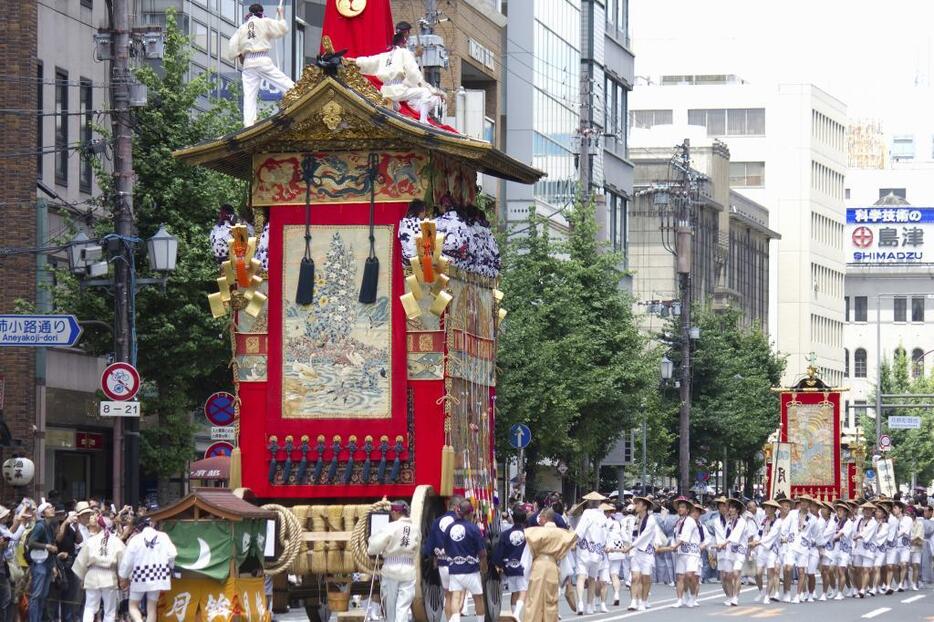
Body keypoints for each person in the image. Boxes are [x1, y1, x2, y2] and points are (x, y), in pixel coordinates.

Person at [351, 24, 445, 123]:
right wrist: (431, 89)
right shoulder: (405, 53)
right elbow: (414, 75)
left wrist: (352, 61)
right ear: (404, 42)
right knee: (426, 93)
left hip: (384, 91)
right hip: (398, 90)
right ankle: (423, 120)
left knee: (398, 106)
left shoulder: (384, 55)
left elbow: (367, 61)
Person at [227, 3, 295, 127]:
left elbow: (232, 45)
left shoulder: (242, 28)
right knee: (283, 82)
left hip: (248, 62)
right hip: (262, 58)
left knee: (249, 95)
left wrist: (239, 55)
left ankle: (248, 124)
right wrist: (281, 14)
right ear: (261, 12)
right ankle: (299, 95)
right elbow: (283, 28)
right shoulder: (264, 21)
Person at [520, 508, 578, 622]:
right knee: (551, 600)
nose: (539, 519)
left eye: (540, 517)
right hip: (553, 566)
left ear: (544, 518)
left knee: (534, 599)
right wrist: (566, 577)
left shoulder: (535, 533)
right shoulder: (561, 534)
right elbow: (565, 557)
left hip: (538, 566)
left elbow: (527, 555)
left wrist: (526, 573)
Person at [366, 500, 419, 622]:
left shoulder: (390, 527)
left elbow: (373, 547)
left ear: (395, 512)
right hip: (408, 568)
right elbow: (416, 549)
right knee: (403, 607)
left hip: (391, 568)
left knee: (390, 607)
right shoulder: (415, 529)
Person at [117, 516, 177, 622]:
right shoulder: (163, 536)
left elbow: (128, 561)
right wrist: (170, 567)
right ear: (151, 524)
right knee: (152, 608)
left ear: (137, 528)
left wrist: (123, 576)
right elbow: (172, 554)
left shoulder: (136, 539)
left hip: (140, 575)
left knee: (133, 606)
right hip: (159, 574)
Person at [73, 515, 125, 622]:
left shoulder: (91, 541)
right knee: (109, 610)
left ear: (99, 526)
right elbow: (124, 561)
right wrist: (123, 578)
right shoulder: (116, 541)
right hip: (109, 576)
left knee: (89, 607)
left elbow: (81, 560)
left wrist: (82, 578)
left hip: (92, 575)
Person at [442, 501, 486, 622]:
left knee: (455, 596)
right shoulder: (473, 528)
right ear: (470, 513)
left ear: (458, 511)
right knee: (478, 598)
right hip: (471, 569)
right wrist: (484, 565)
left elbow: (446, 549)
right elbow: (482, 552)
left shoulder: (449, 528)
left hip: (455, 569)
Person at [422, 496, 461, 619]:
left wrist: (431, 556)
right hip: (457, 564)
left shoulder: (437, 521)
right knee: (456, 595)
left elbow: (430, 545)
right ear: (456, 507)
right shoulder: (460, 521)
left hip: (442, 564)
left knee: (448, 595)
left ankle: (450, 619)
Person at [573, 492, 608, 614]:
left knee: (581, 577)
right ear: (599, 503)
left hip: (584, 550)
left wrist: (571, 542)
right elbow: (605, 535)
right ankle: (589, 606)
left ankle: (580, 603)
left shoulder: (586, 514)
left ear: (588, 502)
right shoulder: (603, 517)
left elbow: (579, 532)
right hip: (598, 551)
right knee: (593, 578)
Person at [492, 504, 528, 619]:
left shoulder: (505, 534)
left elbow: (499, 552)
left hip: (509, 566)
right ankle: (517, 615)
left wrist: (499, 564)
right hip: (523, 566)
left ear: (512, 518)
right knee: (523, 590)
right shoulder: (528, 533)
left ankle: (514, 614)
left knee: (514, 592)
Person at [624, 496, 657, 612]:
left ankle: (644, 601)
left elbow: (644, 536)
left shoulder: (651, 519)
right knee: (635, 577)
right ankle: (633, 601)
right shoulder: (635, 519)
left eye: (638, 504)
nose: (636, 506)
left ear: (645, 507)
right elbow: (632, 536)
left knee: (645, 578)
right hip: (636, 552)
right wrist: (629, 546)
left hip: (646, 552)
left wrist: (631, 546)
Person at [26, 502, 58, 622]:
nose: (53, 508)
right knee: (36, 595)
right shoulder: (40, 526)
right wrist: (47, 546)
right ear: (43, 513)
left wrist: (54, 565)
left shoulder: (49, 526)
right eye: (49, 507)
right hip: (40, 563)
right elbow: (31, 543)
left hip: (47, 563)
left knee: (43, 596)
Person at [0, 504, 27, 622]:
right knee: (6, 598)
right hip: (2, 566)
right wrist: (22, 524)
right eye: (5, 515)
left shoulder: (3, 527)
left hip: (5, 566)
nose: (8, 516)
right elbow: (14, 537)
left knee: (11, 598)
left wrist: (22, 521)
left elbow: (11, 534)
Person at [398, 199, 427, 267]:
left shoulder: (402, 223)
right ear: (421, 211)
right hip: (418, 264)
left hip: (404, 263)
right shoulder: (421, 225)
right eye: (425, 211)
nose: (425, 213)